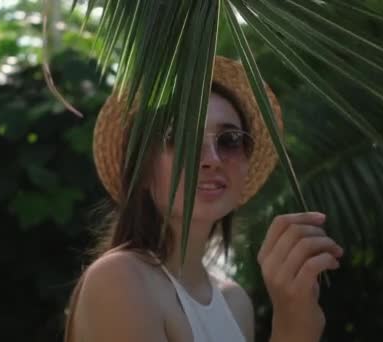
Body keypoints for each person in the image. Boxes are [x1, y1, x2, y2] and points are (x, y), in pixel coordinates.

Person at [63, 56, 344, 342]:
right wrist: (293, 325)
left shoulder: (235, 303)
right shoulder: (120, 278)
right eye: (181, 138)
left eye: (230, 140)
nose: (212, 159)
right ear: (142, 170)